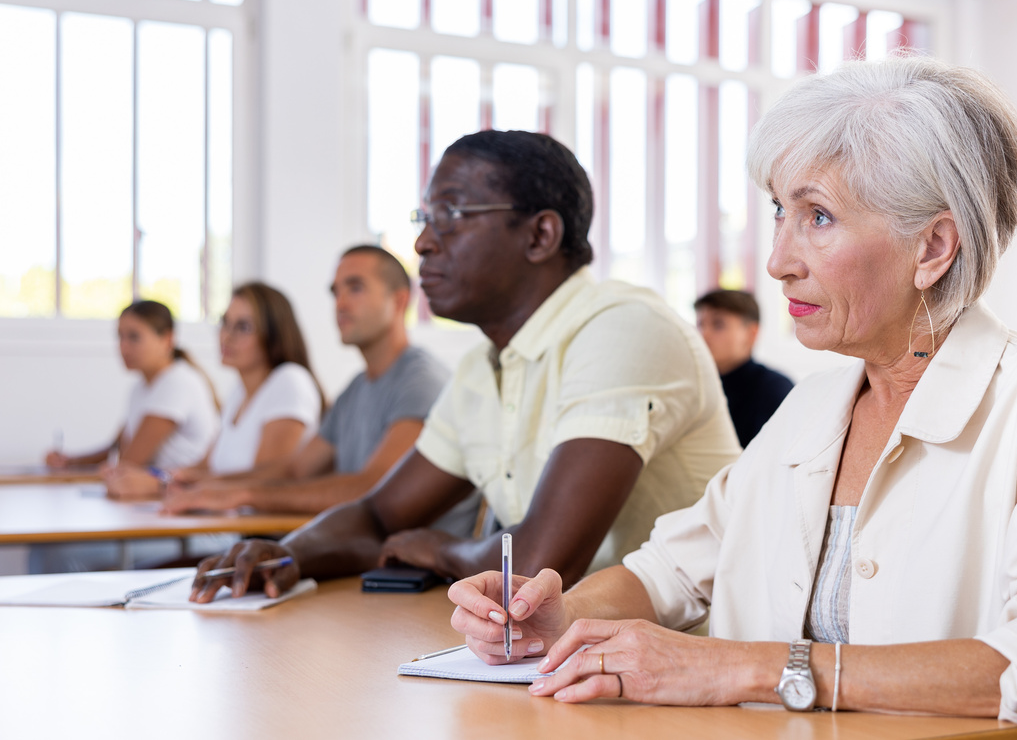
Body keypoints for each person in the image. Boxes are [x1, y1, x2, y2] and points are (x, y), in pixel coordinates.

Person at [447, 59, 1017, 740]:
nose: (778, 260)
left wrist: (742, 667)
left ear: (932, 248)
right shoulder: (815, 406)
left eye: (817, 216)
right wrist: (562, 614)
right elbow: (672, 571)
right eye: (779, 210)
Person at [188, 130, 741, 603]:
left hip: (692, 663)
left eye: (451, 214)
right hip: (564, 656)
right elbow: (381, 515)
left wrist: (441, 548)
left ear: (540, 235)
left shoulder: (622, 328)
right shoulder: (481, 368)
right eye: (425, 218)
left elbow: (540, 566)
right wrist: (286, 555)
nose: (424, 242)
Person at [160, 246, 469, 527]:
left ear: (400, 299)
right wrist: (214, 487)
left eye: (355, 288)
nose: (340, 303)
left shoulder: (421, 381)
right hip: (370, 560)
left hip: (421, 575)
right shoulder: (355, 390)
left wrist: (243, 495)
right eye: (335, 292)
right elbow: (295, 470)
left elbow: (374, 487)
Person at [102, 282, 326, 500]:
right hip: (218, 521)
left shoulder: (289, 381)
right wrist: (161, 478)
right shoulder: (239, 392)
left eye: (243, 327)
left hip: (255, 532)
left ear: (274, 334)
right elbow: (203, 468)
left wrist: (162, 486)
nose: (227, 336)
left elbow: (264, 481)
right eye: (225, 323)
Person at [45, 300, 219, 473]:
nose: (123, 347)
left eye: (134, 337)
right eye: (120, 336)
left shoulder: (177, 382)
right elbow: (117, 448)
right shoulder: (140, 388)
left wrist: (109, 470)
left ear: (167, 339)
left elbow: (130, 462)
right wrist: (70, 461)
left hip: (184, 489)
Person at [694, 289, 794, 446]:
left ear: (751, 334)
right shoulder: (695, 386)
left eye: (718, 325)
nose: (703, 334)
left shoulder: (774, 389)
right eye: (700, 324)